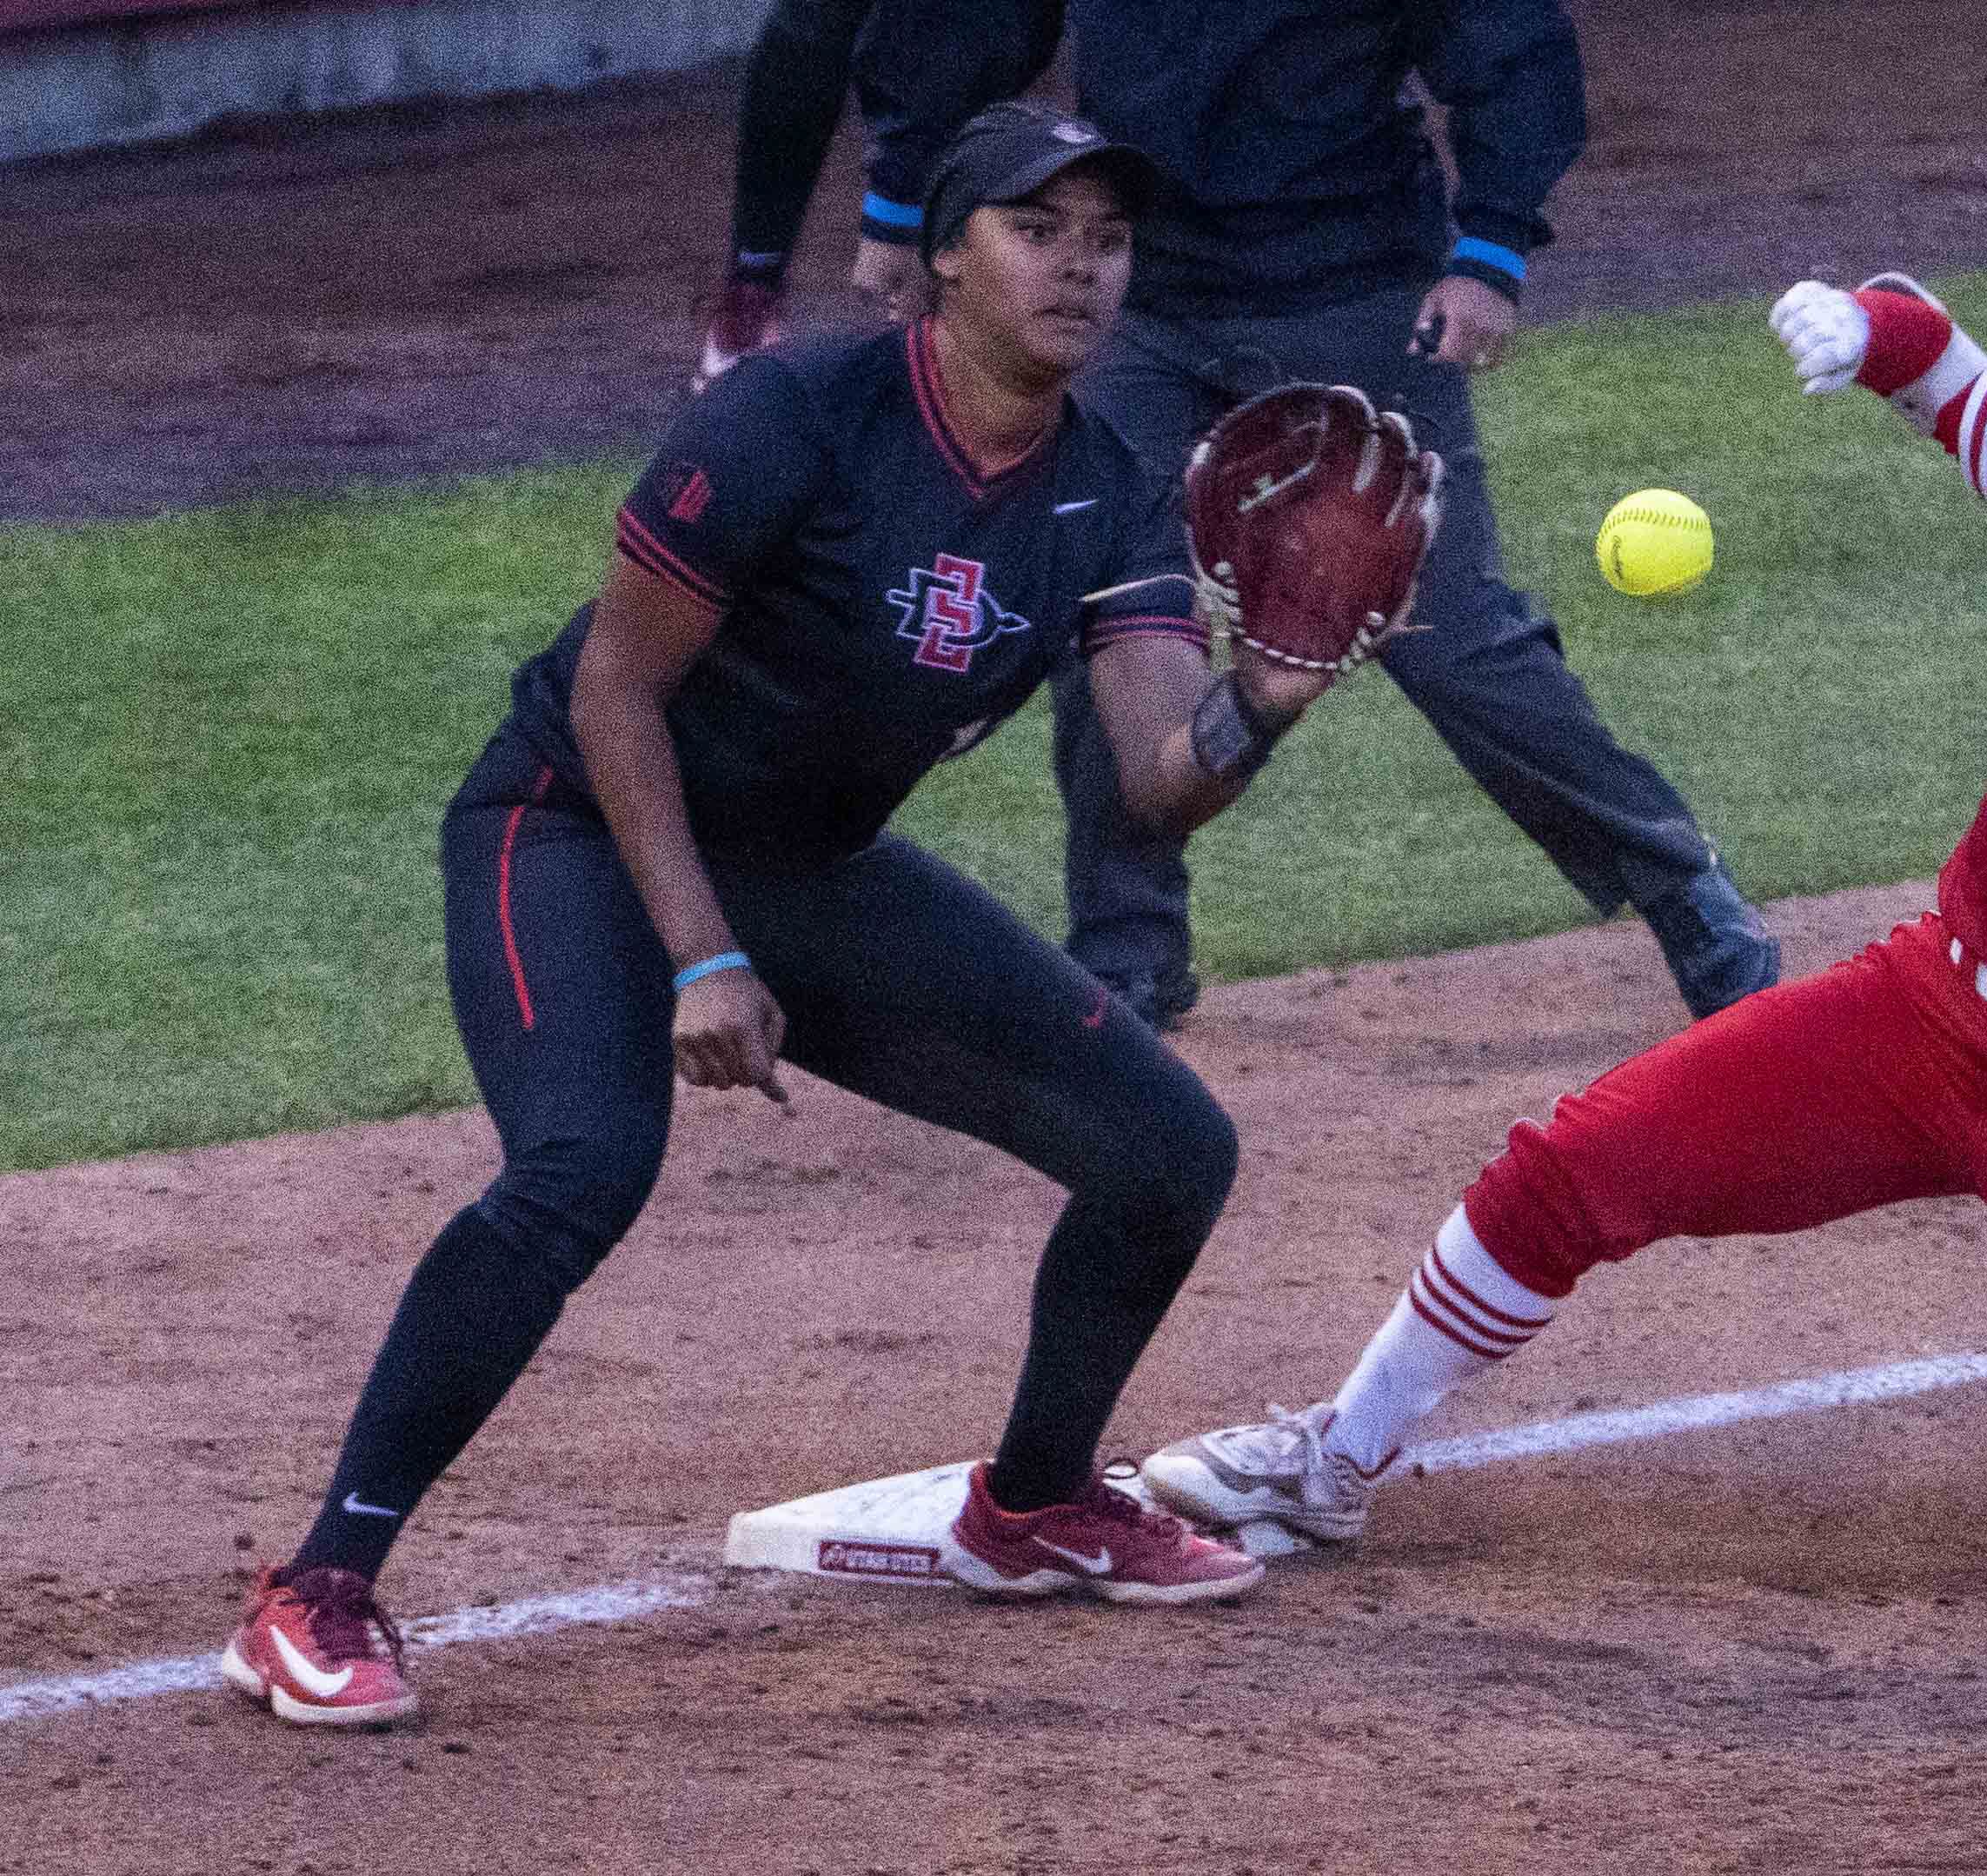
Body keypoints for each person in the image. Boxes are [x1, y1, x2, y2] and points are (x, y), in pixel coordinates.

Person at [220, 104, 1399, 1730]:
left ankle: (1034, 1502)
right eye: (1035, 228)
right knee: (581, 1165)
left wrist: (1266, 698)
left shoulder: (1108, 490)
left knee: (1166, 1148)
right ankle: (319, 1582)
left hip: (804, 860)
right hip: (567, 822)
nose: (1080, 266)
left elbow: (1152, 778)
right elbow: (613, 687)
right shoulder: (795, 417)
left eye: (1107, 238)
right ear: (939, 260)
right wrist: (701, 953)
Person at [1138, 276, 1987, 1587]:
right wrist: (1861, 326)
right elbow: (1954, 377)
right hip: (1925, 1014)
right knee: (1572, 1165)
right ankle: (1328, 1458)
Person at [696, 0, 1782, 1030]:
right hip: (1143, 299)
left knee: (1451, 642)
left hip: (1357, 291)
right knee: (1109, 617)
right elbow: (965, 26)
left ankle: (1684, 891)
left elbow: (1507, 43)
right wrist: (898, 200)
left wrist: (1490, 248)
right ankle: (1129, 953)